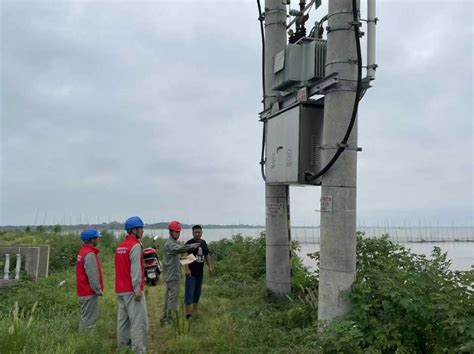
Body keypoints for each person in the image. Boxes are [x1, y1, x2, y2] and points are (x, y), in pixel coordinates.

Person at [115, 216, 149, 353]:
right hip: (132, 290)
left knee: (122, 321)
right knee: (138, 322)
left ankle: (122, 348)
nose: (143, 232)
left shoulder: (120, 246)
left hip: (121, 289)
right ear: (134, 230)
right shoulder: (135, 246)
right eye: (141, 229)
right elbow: (135, 270)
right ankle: (139, 350)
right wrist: (137, 289)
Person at [160, 220, 199, 325]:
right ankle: (170, 320)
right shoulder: (170, 244)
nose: (178, 233)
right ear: (171, 232)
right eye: (176, 232)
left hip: (171, 275)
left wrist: (191, 258)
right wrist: (192, 246)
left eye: (179, 232)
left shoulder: (172, 244)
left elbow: (178, 258)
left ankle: (165, 317)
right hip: (173, 276)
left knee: (168, 297)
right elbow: (181, 249)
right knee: (173, 298)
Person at [76, 227, 104, 330]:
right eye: (97, 238)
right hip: (89, 292)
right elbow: (92, 275)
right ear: (92, 240)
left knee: (85, 318)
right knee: (90, 322)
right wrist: (98, 290)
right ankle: (86, 342)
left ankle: (83, 340)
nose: (98, 239)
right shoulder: (89, 254)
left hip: (82, 291)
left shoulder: (82, 251)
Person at [184, 225, 212, 318]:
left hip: (200, 273)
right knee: (189, 293)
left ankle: (195, 311)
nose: (197, 234)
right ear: (192, 233)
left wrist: (210, 267)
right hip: (191, 273)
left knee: (197, 292)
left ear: (201, 232)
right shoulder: (189, 243)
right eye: (195, 232)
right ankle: (188, 314)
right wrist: (187, 269)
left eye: (198, 232)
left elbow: (207, 255)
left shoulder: (203, 243)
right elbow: (185, 257)